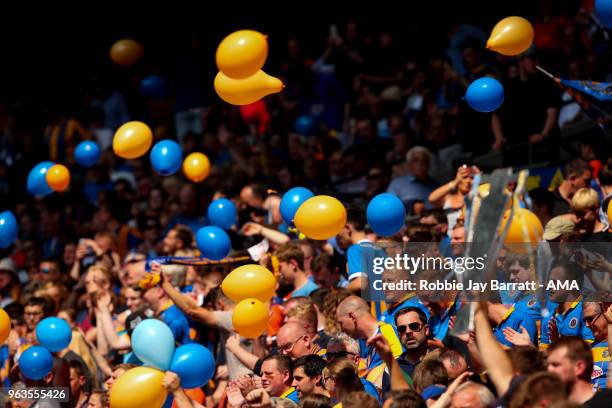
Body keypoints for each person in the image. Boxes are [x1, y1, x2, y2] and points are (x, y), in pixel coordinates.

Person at [547, 337, 612, 407]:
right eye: (548, 365)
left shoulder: (607, 402)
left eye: (555, 365)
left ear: (579, 367)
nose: (549, 370)